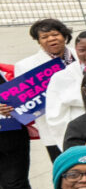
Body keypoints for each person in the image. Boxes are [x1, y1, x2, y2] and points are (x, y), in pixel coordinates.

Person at [17, 18, 77, 158]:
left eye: (55, 34)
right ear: (38, 41)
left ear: (64, 36)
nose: (51, 39)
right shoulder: (25, 66)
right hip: (53, 128)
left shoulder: (82, 56)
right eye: (44, 37)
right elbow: (24, 100)